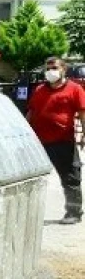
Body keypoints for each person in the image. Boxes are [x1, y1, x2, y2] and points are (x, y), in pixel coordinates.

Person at [28, 56, 85, 225]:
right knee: (32, 179)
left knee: (70, 178)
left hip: (63, 141)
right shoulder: (39, 90)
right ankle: (29, 212)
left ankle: (74, 212)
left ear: (63, 69)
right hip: (38, 142)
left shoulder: (74, 89)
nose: (50, 71)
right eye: (48, 68)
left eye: (54, 67)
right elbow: (31, 112)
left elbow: (83, 113)